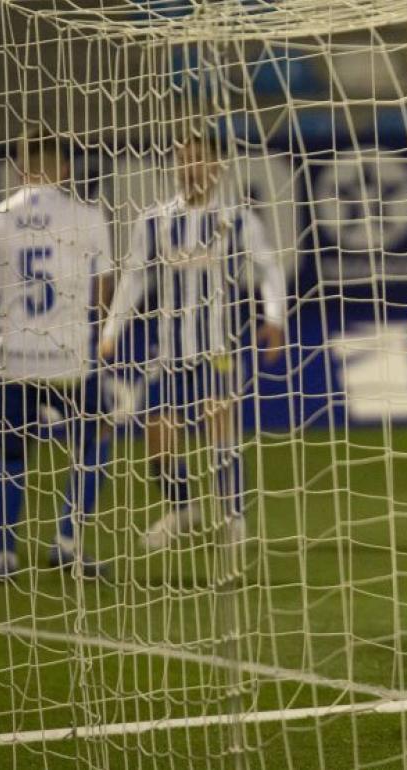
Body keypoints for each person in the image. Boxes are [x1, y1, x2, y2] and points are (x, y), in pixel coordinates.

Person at [99, 126, 286, 552]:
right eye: (184, 159)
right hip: (168, 353)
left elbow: (268, 268)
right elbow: (133, 278)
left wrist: (274, 318)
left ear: (218, 166)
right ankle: (183, 508)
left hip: (218, 349)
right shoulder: (155, 221)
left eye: (200, 158)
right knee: (157, 440)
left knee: (220, 430)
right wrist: (111, 331)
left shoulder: (237, 219)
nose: (191, 168)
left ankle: (234, 519)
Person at [0, 130, 115, 580]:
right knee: (94, 440)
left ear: (20, 168)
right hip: (69, 357)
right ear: (66, 169)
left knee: (11, 453)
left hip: (13, 356)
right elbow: (102, 290)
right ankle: (67, 543)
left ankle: (3, 555)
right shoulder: (87, 215)